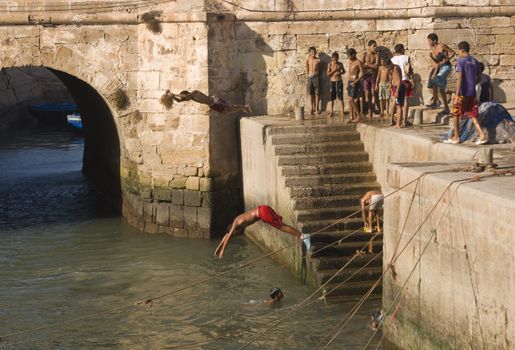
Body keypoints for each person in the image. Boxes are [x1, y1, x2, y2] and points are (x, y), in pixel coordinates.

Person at [214, 205, 311, 259]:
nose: (234, 234)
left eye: (233, 233)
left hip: (262, 213)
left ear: (232, 230)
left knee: (281, 227)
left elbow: (228, 237)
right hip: (263, 209)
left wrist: (222, 251)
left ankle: (303, 236)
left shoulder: (235, 223)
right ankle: (302, 236)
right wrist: (218, 248)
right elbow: (226, 236)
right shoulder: (237, 222)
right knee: (281, 226)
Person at [444, 41, 487, 145]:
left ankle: (456, 137)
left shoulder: (461, 61)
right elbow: (480, 77)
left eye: (459, 51)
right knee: (472, 114)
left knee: (455, 114)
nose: (458, 53)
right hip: (472, 93)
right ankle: (482, 135)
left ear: (462, 50)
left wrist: (457, 94)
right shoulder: (475, 61)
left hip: (462, 93)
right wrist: (472, 84)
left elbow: (459, 78)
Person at [427, 33, 455, 114]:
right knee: (435, 83)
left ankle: (440, 104)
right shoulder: (433, 49)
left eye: (429, 41)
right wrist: (431, 57)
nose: (428, 43)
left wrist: (447, 59)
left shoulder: (442, 45)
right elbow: (437, 63)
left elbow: (453, 52)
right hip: (440, 68)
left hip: (446, 67)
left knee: (438, 80)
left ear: (434, 40)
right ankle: (437, 103)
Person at [163, 90, 251, 114]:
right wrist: (173, 97)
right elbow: (179, 101)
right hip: (212, 105)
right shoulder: (192, 97)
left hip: (215, 101)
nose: (187, 100)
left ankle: (244, 107)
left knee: (228, 108)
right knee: (226, 111)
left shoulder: (194, 93)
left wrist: (172, 94)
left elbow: (184, 96)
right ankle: (243, 108)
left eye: (186, 98)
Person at [390, 44, 413, 127]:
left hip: (395, 82)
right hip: (405, 81)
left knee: (394, 101)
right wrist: (412, 80)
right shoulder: (406, 58)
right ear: (402, 49)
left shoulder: (392, 60)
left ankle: (392, 119)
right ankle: (404, 121)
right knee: (406, 101)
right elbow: (409, 70)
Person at [346, 48, 364, 123]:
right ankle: (351, 116)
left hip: (355, 82)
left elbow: (362, 73)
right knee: (350, 101)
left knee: (351, 99)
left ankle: (358, 116)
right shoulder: (350, 62)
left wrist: (356, 81)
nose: (348, 57)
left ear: (353, 55)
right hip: (349, 82)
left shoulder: (358, 62)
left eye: (349, 56)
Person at [362, 40, 379, 119]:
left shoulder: (376, 55)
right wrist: (370, 65)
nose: (375, 48)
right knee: (366, 93)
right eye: (373, 46)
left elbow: (376, 66)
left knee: (373, 92)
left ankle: (372, 110)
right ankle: (368, 110)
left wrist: (367, 64)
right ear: (369, 46)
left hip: (373, 76)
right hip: (366, 76)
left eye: (375, 46)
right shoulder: (365, 54)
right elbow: (362, 65)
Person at [327, 52, 345, 119]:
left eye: (336, 59)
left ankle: (342, 111)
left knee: (340, 97)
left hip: (339, 81)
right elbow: (328, 74)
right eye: (334, 60)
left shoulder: (340, 64)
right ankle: (331, 112)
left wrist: (339, 72)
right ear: (332, 59)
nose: (335, 61)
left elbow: (344, 71)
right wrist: (334, 70)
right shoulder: (330, 64)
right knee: (332, 98)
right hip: (333, 81)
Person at [306, 46, 321, 115]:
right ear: (309, 53)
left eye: (314, 51)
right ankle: (311, 107)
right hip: (310, 77)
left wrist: (317, 74)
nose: (313, 53)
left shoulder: (318, 60)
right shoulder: (308, 59)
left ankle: (317, 107)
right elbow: (307, 67)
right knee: (310, 93)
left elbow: (320, 69)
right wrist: (309, 74)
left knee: (317, 93)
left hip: (316, 77)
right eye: (311, 51)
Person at [390, 61, 403, 127]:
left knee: (398, 106)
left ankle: (399, 124)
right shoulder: (393, 68)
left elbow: (399, 81)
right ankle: (397, 122)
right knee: (397, 105)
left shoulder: (395, 69)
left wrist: (397, 91)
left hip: (397, 89)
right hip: (394, 88)